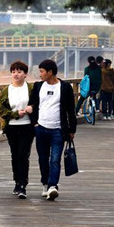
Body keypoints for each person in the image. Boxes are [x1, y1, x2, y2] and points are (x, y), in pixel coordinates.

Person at [25, 59, 77, 201]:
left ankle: (53, 186)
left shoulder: (65, 87)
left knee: (55, 159)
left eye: (42, 71)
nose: (40, 74)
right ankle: (45, 183)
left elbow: (70, 111)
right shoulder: (38, 86)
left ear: (50, 72)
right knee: (43, 159)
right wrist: (34, 124)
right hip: (41, 128)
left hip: (58, 130)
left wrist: (72, 130)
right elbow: (32, 105)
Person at [0, 60, 34, 199]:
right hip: (11, 127)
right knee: (15, 155)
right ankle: (17, 182)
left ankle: (23, 185)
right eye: (13, 72)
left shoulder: (30, 89)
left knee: (23, 155)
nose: (16, 74)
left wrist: (32, 108)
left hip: (27, 126)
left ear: (25, 74)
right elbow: (1, 109)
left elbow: (37, 103)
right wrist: (15, 114)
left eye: (19, 72)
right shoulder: (7, 90)